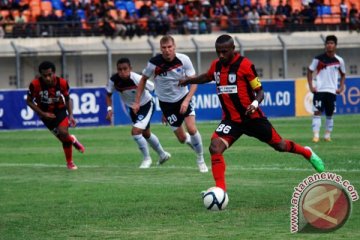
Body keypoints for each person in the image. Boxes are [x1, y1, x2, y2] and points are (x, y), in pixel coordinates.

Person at [178, 34, 325, 192]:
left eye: (224, 51)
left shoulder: (245, 65)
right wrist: (189, 80)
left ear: (233, 49)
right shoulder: (217, 65)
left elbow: (260, 91)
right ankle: (220, 190)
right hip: (231, 121)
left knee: (280, 146)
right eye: (218, 52)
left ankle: (306, 152)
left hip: (252, 118)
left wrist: (254, 104)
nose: (221, 55)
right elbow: (207, 76)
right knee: (215, 147)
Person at [133, 35, 208, 173]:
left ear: (174, 47)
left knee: (191, 129)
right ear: (160, 49)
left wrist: (186, 101)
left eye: (169, 47)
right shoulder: (154, 63)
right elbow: (143, 80)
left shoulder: (183, 60)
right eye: (164, 48)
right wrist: (137, 101)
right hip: (166, 105)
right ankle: (195, 145)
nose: (167, 50)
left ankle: (200, 159)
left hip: (183, 98)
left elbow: (194, 82)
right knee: (182, 138)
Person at [105, 58, 171, 168]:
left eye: (125, 69)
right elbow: (108, 94)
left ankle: (147, 159)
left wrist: (165, 110)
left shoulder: (137, 78)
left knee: (135, 131)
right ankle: (163, 155)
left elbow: (156, 90)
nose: (122, 72)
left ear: (130, 69)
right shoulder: (114, 80)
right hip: (133, 109)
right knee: (146, 134)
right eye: (119, 69)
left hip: (146, 105)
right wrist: (109, 109)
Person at [26, 61, 85, 170]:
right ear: (40, 75)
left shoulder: (62, 83)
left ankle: (70, 163)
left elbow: (67, 99)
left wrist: (71, 115)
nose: (48, 78)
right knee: (64, 139)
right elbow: (29, 101)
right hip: (45, 114)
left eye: (50, 75)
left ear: (54, 73)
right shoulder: (34, 85)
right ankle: (72, 140)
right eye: (45, 76)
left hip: (59, 111)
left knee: (63, 133)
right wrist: (42, 113)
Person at [307, 35, 346, 143]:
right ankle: (316, 135)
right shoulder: (318, 59)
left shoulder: (339, 61)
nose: (329, 45)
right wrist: (311, 86)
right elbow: (310, 71)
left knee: (330, 114)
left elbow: (343, 74)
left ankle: (327, 136)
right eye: (328, 43)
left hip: (332, 91)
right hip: (319, 90)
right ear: (325, 45)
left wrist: (341, 87)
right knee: (317, 112)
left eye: (332, 43)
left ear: (335, 46)